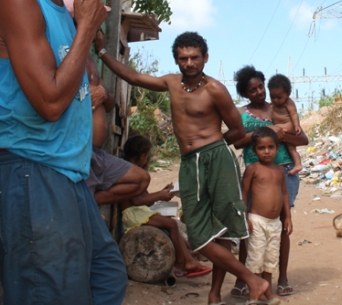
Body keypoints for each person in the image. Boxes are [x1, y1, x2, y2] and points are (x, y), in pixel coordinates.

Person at [0, 0, 127, 304]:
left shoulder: (63, 13)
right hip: (33, 171)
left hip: (66, 175)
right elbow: (49, 102)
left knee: (106, 279)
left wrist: (80, 26)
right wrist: (87, 30)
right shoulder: (17, 1)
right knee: (51, 293)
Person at [94, 31, 275, 305]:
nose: (189, 63)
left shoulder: (214, 89)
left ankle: (215, 295)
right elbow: (133, 77)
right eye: (183, 58)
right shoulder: (171, 82)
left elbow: (237, 130)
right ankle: (254, 280)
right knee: (200, 233)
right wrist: (103, 53)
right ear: (177, 60)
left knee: (222, 230)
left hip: (216, 159)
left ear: (205, 58)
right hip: (190, 164)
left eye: (194, 57)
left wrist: (211, 148)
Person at [231, 66, 309, 298]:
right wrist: (268, 130)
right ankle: (244, 278)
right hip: (255, 175)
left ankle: (282, 278)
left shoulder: (280, 105)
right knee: (252, 226)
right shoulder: (242, 114)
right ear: (245, 93)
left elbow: (303, 138)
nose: (258, 92)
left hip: (284, 170)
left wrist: (283, 135)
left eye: (260, 87)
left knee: (282, 225)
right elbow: (236, 142)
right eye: (252, 90)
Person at [119, 135, 212, 278]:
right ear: (142, 155)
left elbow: (143, 198)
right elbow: (136, 201)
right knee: (171, 224)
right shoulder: (129, 172)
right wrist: (159, 196)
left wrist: (162, 192)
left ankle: (187, 254)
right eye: (147, 156)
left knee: (170, 221)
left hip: (137, 211)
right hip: (132, 213)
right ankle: (183, 261)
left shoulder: (133, 170)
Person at [84, 55, 151, 204]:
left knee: (141, 179)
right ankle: (86, 208)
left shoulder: (90, 62)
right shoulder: (65, 54)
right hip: (78, 149)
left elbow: (109, 104)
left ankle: (88, 205)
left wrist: (103, 92)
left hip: (97, 153)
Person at [242, 127, 293, 303]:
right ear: (254, 150)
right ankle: (254, 292)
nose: (266, 151)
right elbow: (244, 192)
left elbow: (284, 193)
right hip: (257, 220)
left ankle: (268, 291)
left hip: (275, 222)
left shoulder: (279, 170)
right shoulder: (252, 169)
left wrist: (287, 217)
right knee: (256, 256)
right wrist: (244, 216)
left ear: (277, 148)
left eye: (271, 147)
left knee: (271, 257)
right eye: (261, 148)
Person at [267, 74, 304, 173]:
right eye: (272, 97)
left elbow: (294, 114)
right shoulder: (272, 104)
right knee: (291, 148)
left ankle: (297, 164)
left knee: (269, 130)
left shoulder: (288, 102)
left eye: (279, 97)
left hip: (288, 126)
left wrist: (297, 125)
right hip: (282, 127)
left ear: (287, 93)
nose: (275, 100)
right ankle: (297, 164)